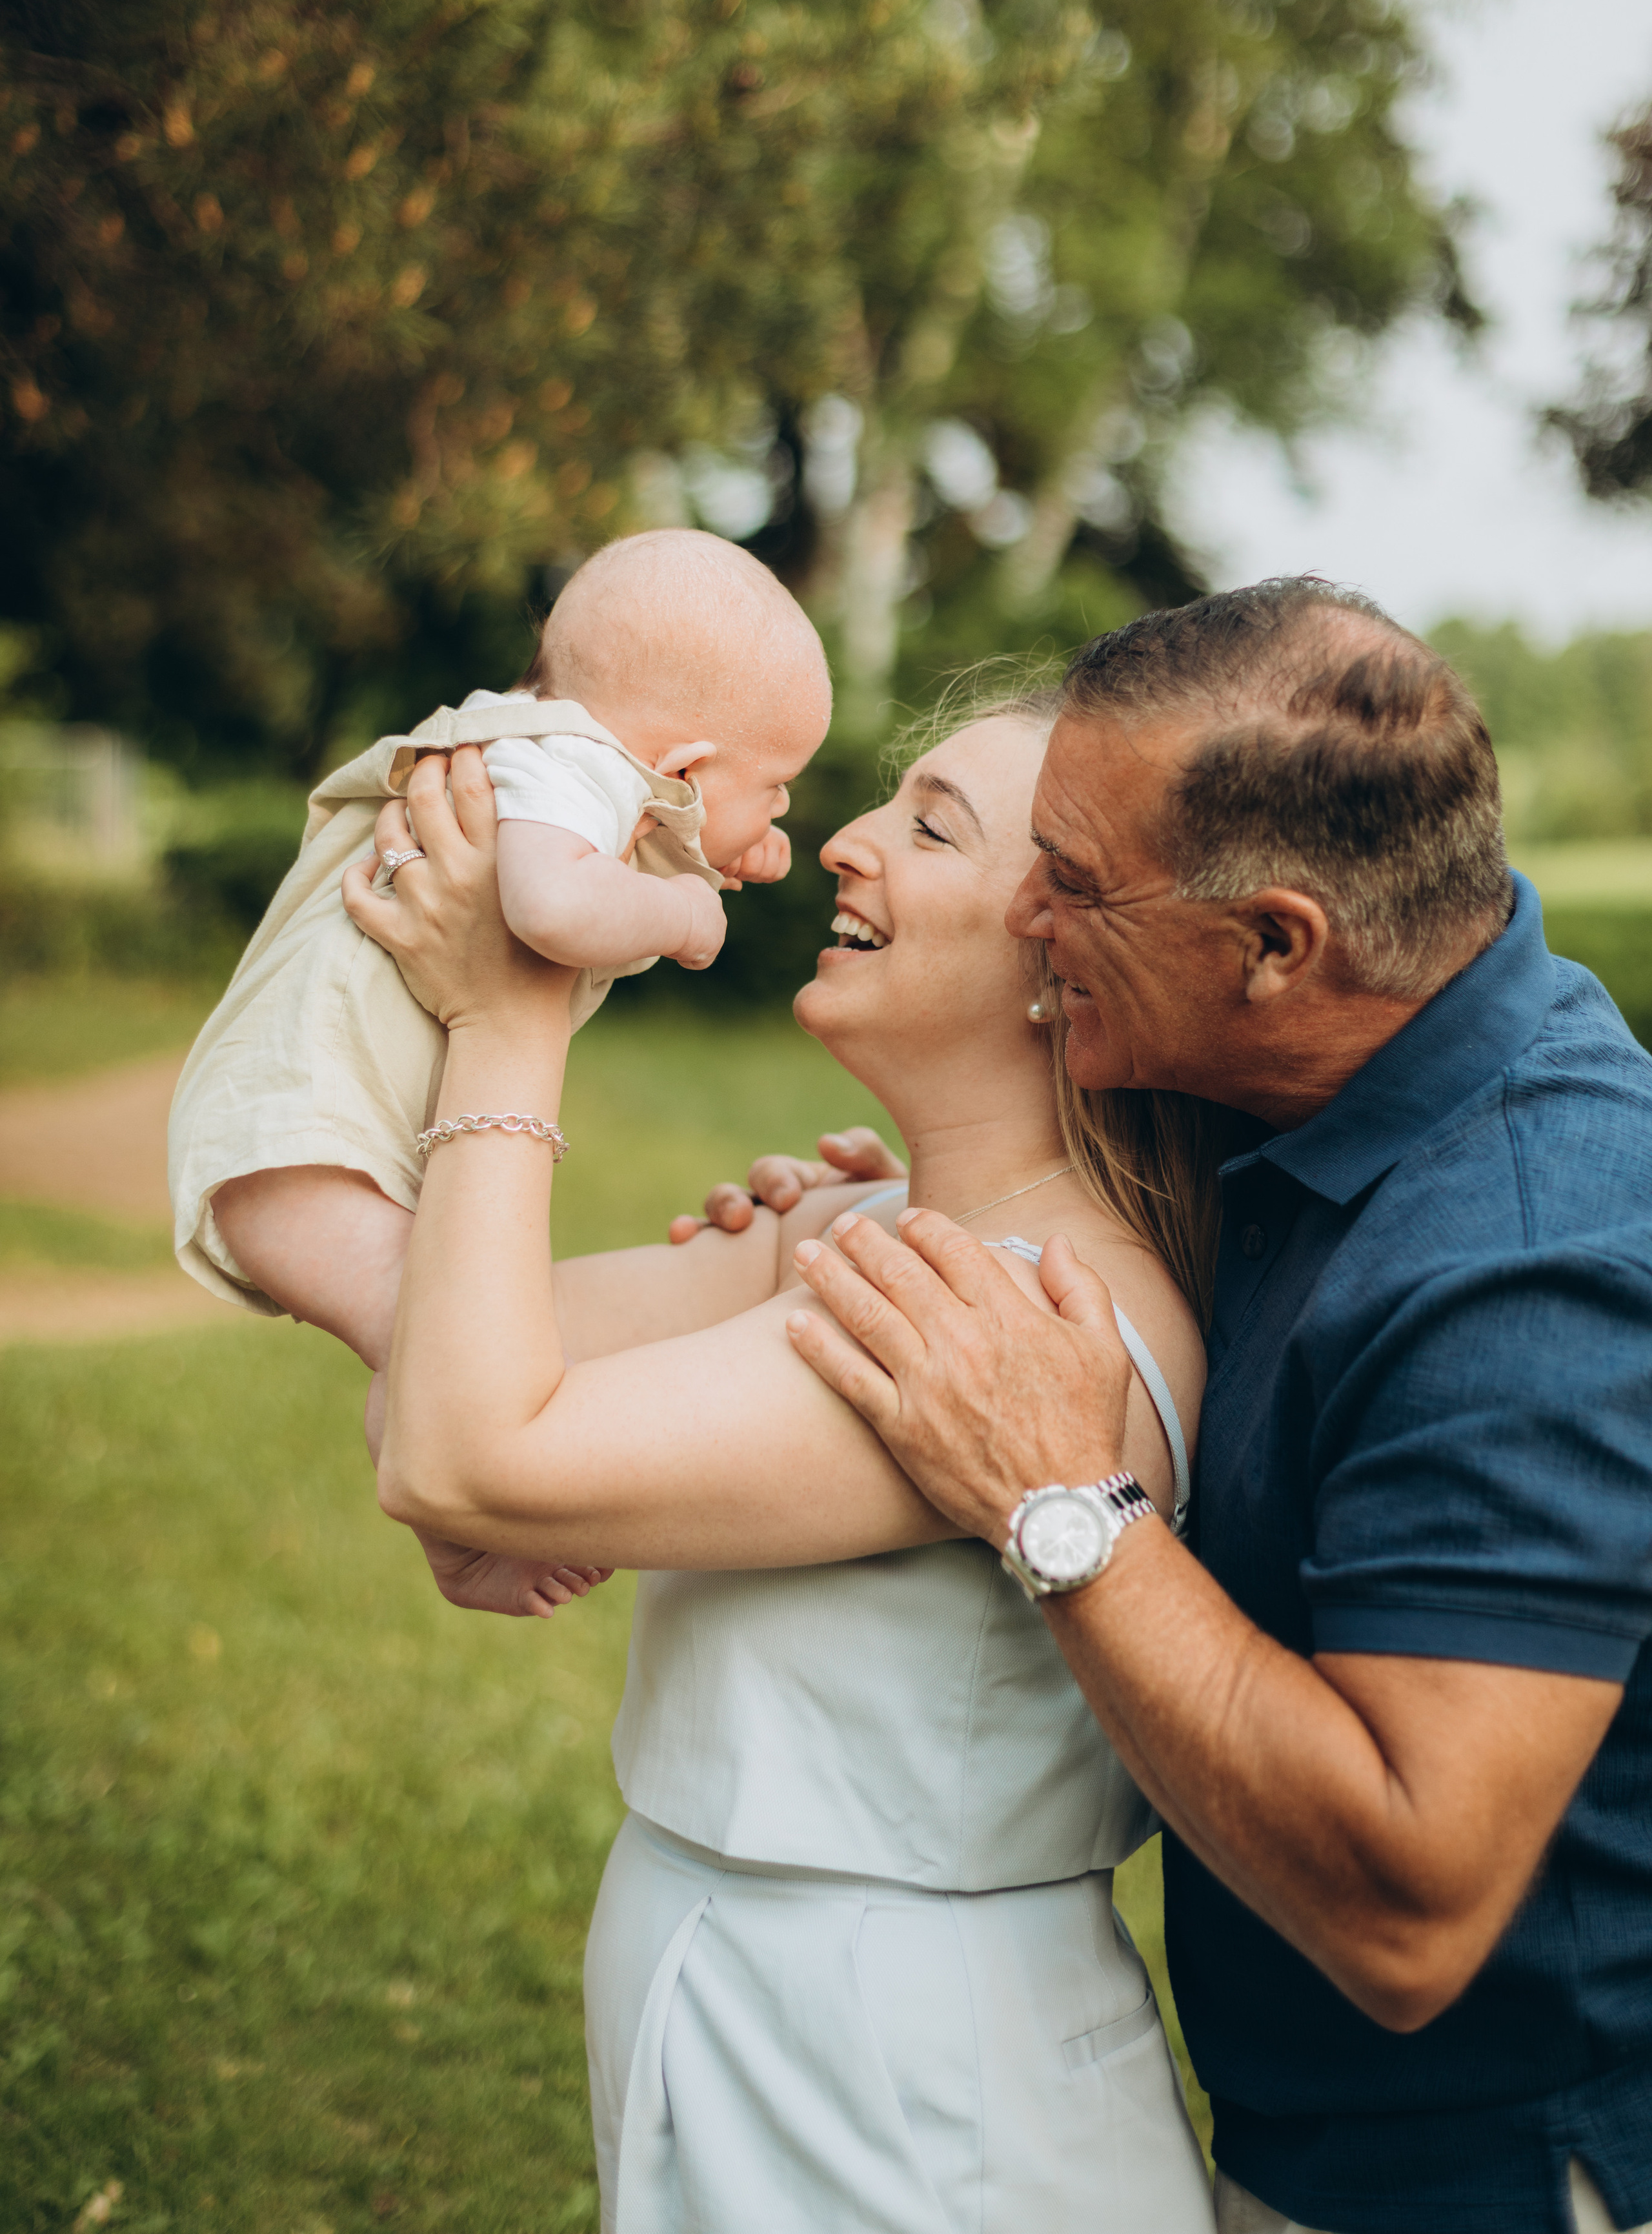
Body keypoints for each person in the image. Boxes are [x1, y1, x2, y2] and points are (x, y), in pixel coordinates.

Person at [758, 580, 1652, 2234]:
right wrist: (951, 1207)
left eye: (1072, 882)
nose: (1022, 919)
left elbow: (1409, 1911)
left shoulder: (1525, 1266)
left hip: (1486, 2186)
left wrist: (1054, 1492)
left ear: (1272, 945)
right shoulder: (1338, 1073)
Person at [348, 685, 1222, 2232]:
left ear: (1058, 964)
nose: (842, 845)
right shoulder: (875, 1237)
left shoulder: (1006, 1317)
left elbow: (459, 1448)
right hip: (746, 1994)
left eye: (930, 823)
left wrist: (509, 1019)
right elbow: (434, 1367)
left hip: (906, 2090)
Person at [168, 529, 830, 1615]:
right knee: (465, 1353)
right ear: (685, 770)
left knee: (451, 1344)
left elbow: (583, 860)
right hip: (302, 1140)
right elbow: (553, 908)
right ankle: (476, 1526)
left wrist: (709, 847)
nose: (789, 820)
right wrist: (684, 909)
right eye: (780, 789)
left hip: (303, 1135)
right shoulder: (566, 772)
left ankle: (463, 1510)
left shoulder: (543, 759)